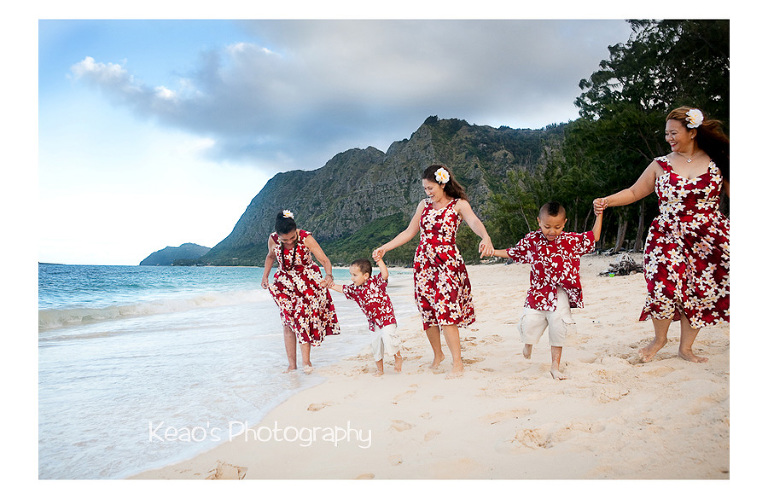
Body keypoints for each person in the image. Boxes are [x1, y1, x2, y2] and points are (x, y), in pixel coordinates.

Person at [593, 106, 730, 363]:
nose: (669, 138)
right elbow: (634, 192)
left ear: (692, 132)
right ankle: (659, 339)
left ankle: (686, 348)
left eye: (673, 132)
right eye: (666, 134)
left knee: (698, 292)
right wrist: (606, 201)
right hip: (666, 236)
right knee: (662, 287)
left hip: (707, 238)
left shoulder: (718, 161)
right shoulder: (660, 164)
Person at [373, 164, 494, 377]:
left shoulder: (459, 205)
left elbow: (474, 221)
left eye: (430, 188)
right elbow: (410, 232)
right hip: (423, 264)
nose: (428, 193)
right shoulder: (424, 205)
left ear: (442, 183)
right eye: (425, 189)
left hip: (448, 263)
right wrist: (385, 247)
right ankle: (438, 355)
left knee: (447, 310)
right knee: (428, 312)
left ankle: (458, 363)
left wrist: (485, 237)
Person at [492, 202, 602, 379]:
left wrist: (599, 215)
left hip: (559, 293)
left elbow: (593, 237)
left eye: (557, 227)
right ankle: (528, 344)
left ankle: (555, 367)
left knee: (558, 327)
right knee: (528, 323)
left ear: (564, 223)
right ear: (539, 222)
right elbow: (514, 252)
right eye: (547, 226)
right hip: (537, 292)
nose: (552, 231)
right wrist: (493, 252)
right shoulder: (532, 240)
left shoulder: (569, 240)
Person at [261, 210, 340, 373]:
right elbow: (270, 257)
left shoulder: (305, 237)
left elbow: (324, 259)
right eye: (285, 240)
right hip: (284, 284)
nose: (289, 242)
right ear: (278, 235)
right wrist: (265, 276)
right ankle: (292, 365)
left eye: (292, 238)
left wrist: (329, 275)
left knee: (303, 318)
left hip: (306, 283)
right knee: (288, 322)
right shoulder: (273, 239)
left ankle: (307, 362)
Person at [329, 257, 403, 376]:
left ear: (366, 275)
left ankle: (398, 357)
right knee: (376, 345)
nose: (351, 278)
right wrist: (330, 285)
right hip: (373, 323)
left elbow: (384, 274)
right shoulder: (355, 289)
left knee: (389, 338)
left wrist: (379, 260)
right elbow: (343, 289)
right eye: (351, 275)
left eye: (354, 275)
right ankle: (380, 369)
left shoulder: (376, 282)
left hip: (387, 318)